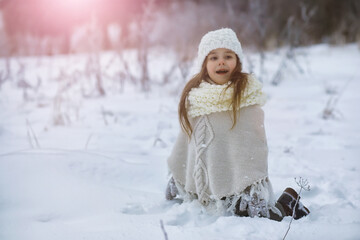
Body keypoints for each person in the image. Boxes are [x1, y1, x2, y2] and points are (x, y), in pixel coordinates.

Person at [165, 28, 310, 221]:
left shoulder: (245, 98)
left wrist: (250, 185)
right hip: (206, 185)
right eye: (213, 57)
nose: (221, 62)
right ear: (204, 64)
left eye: (228, 56)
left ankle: (288, 202)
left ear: (237, 61)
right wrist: (181, 175)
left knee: (257, 215)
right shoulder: (195, 98)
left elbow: (251, 145)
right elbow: (186, 143)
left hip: (241, 186)